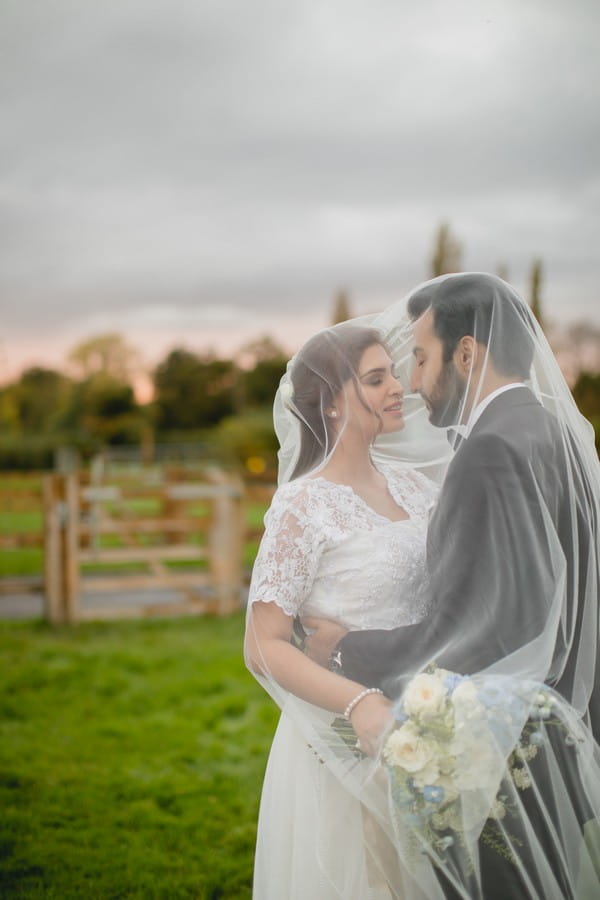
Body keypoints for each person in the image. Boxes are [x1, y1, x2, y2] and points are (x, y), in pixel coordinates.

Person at [307, 273, 600, 899]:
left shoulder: (489, 452)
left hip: (503, 757)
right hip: (564, 736)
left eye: (419, 357)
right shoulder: (556, 434)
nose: (411, 382)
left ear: (467, 353)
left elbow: (474, 630)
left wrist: (345, 647)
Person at [244, 320, 450, 899]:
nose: (398, 388)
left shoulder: (419, 488)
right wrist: (359, 704)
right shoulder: (303, 505)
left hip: (431, 714)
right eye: (376, 378)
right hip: (343, 734)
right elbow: (262, 644)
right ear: (332, 402)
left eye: (394, 374)